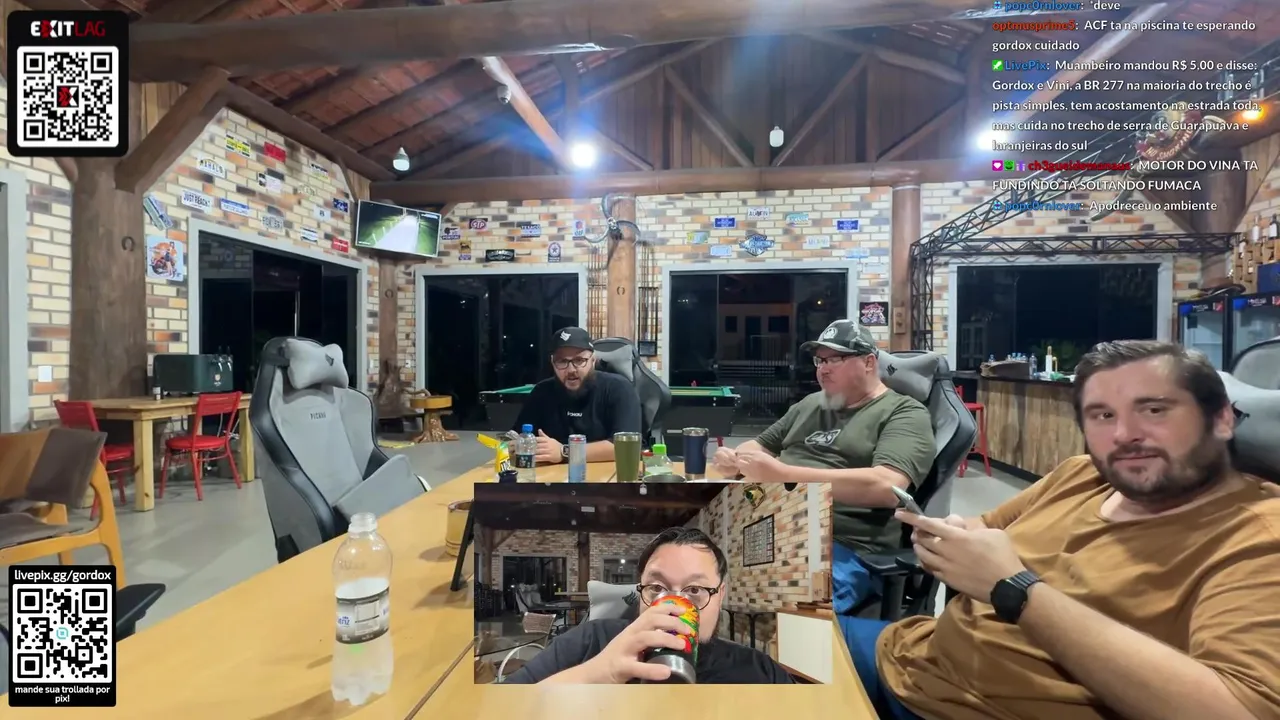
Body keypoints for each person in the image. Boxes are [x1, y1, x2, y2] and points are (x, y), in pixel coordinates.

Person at [843, 340, 1280, 720]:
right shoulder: (1081, 474)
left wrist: (1015, 590)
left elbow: (1242, 709)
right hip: (911, 655)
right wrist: (951, 537)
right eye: (1103, 414)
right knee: (796, 628)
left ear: (1222, 419)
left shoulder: (1257, 534)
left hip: (961, 709)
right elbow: (982, 528)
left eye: (1154, 409)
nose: (1125, 434)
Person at [711, 319, 934, 613]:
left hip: (840, 546)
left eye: (835, 359)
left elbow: (887, 487)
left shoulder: (904, 413)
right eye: (820, 360)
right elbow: (759, 445)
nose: (823, 369)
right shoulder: (810, 404)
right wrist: (736, 459)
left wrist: (783, 475)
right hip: (767, 528)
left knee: (763, 611)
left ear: (869, 362)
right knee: (688, 573)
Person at [503, 527, 793, 684]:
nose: (675, 607)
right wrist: (595, 674)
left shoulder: (758, 671)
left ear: (720, 595)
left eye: (695, 590)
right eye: (657, 588)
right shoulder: (590, 641)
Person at [513, 327, 643, 465]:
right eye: (562, 361)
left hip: (606, 473)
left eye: (579, 360)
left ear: (593, 360)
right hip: (551, 474)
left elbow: (626, 447)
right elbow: (518, 436)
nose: (571, 370)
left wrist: (564, 451)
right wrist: (514, 444)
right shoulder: (542, 392)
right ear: (552, 363)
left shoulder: (619, 388)